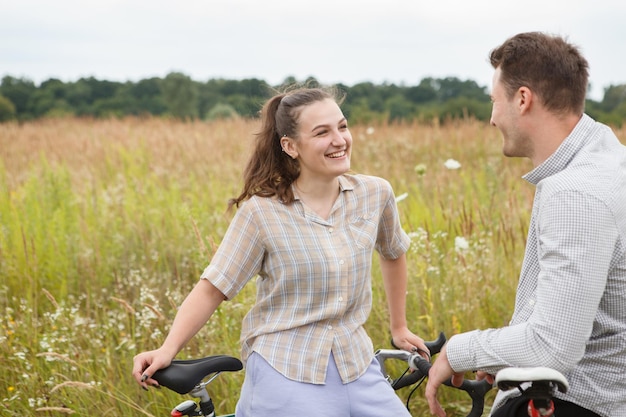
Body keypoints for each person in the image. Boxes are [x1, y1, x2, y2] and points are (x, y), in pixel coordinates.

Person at [132, 86, 428, 416]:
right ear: (290, 146)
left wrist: (399, 327)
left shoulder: (375, 194)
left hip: (356, 363)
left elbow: (393, 251)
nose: (339, 140)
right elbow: (214, 287)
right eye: (322, 132)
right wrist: (167, 348)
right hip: (286, 366)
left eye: (342, 127)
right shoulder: (261, 213)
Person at [424, 32, 626, 417]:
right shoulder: (610, 160)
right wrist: (505, 354)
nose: (492, 117)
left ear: (522, 99)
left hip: (575, 403)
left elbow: (552, 347)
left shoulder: (575, 193)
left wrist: (459, 350)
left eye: (493, 101)